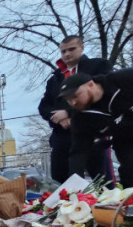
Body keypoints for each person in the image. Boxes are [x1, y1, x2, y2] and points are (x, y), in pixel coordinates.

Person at [37, 35, 113, 182]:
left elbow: (103, 95)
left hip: (93, 132)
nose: (67, 54)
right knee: (61, 178)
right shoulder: (55, 78)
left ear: (82, 48)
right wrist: (57, 119)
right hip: (63, 136)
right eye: (63, 51)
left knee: (101, 178)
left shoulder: (99, 66)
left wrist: (69, 113)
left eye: (71, 49)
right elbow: (44, 106)